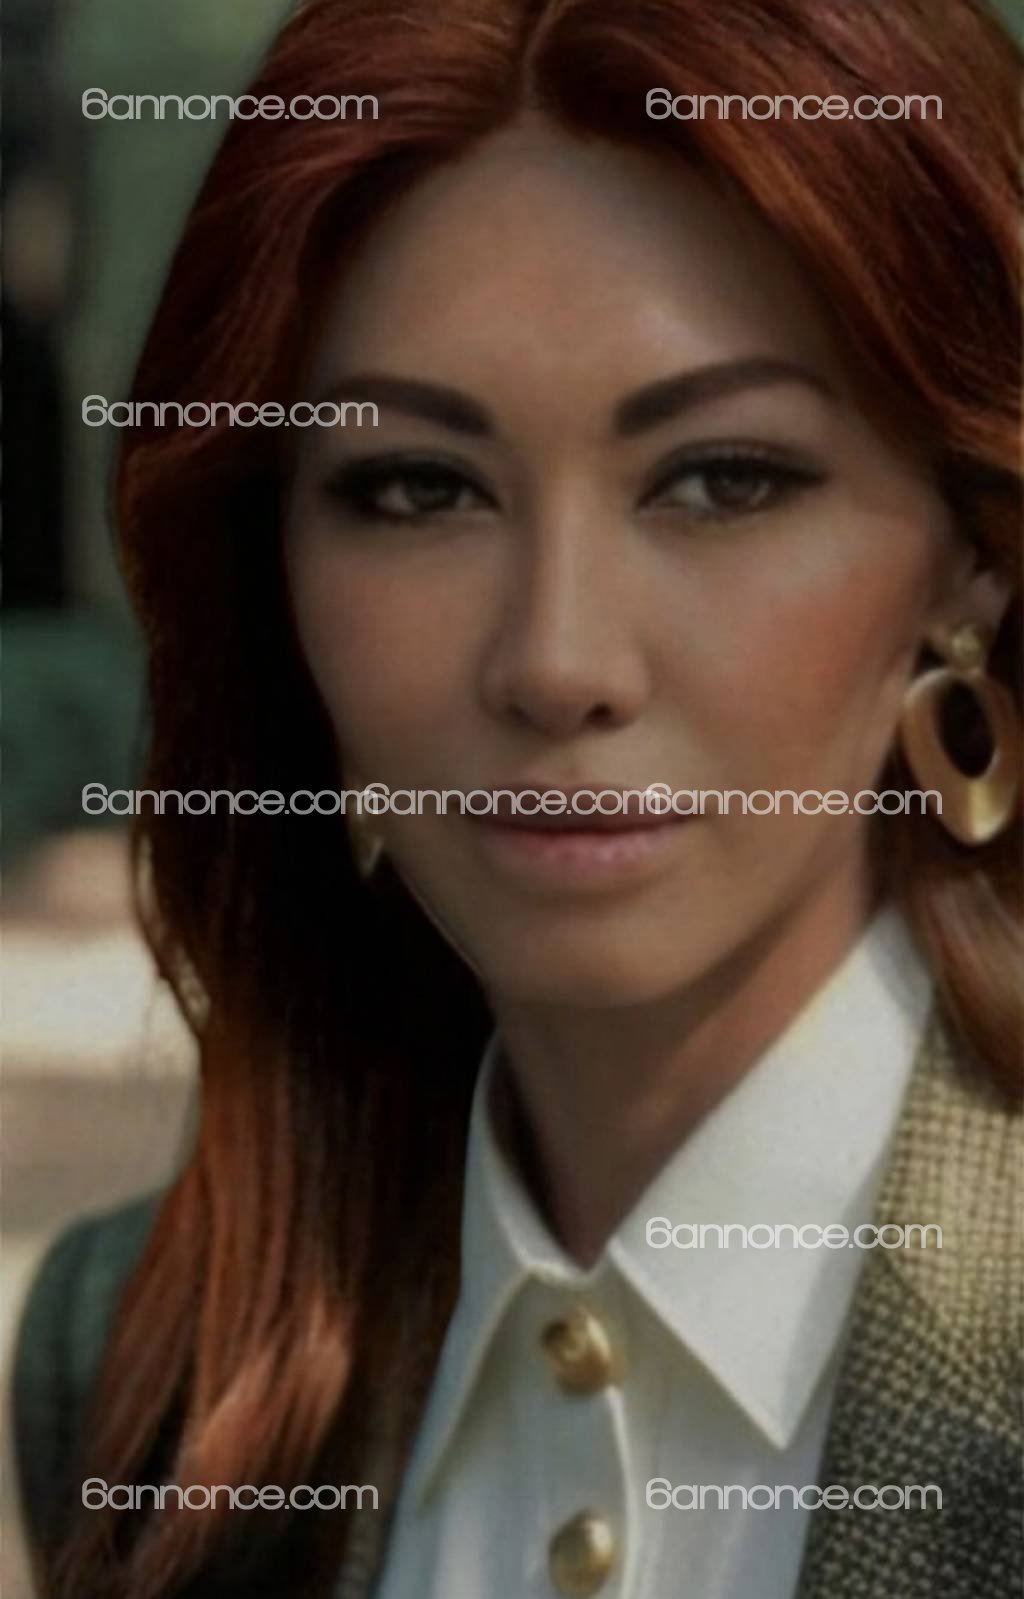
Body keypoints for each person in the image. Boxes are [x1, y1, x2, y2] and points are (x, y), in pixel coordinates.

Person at [13, 1, 1022, 1596]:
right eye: (417, 488)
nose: (558, 663)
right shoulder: (146, 1362)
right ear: (272, 573)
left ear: (974, 553)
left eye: (726, 478)